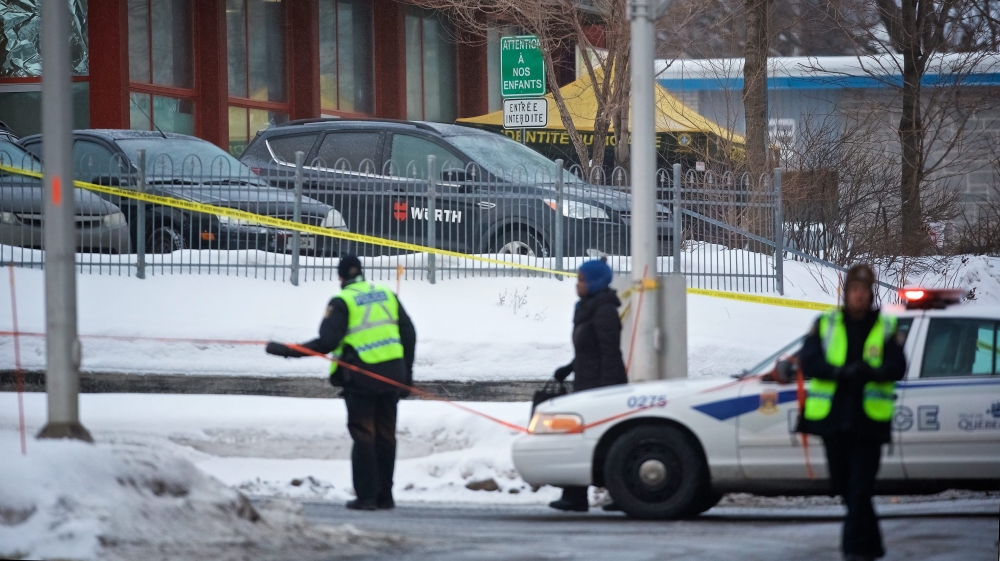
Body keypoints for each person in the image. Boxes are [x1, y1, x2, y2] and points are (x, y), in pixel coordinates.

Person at [266, 255, 416, 511]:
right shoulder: (386, 294)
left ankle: (367, 497)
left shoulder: (342, 301)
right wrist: (406, 375)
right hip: (392, 376)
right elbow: (409, 333)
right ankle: (385, 496)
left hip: (361, 378)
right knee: (386, 436)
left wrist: (288, 350)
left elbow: (327, 343)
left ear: (340, 277)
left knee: (364, 436)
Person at [796, 264, 906, 561]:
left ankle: (853, 550)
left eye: (864, 290)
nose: (859, 295)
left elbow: (897, 366)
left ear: (871, 294)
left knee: (859, 487)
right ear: (846, 293)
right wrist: (840, 372)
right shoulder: (826, 322)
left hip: (868, 423)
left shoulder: (886, 326)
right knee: (846, 488)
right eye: (854, 290)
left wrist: (870, 372)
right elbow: (809, 361)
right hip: (833, 422)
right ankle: (872, 546)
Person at [549, 258, 628, 512]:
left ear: (595, 282)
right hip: (586, 384)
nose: (577, 284)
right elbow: (588, 350)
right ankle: (574, 495)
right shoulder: (586, 308)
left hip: (600, 388)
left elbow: (610, 354)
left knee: (603, 440)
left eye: (581, 280)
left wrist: (607, 393)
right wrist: (569, 368)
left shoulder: (604, 311)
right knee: (581, 439)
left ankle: (621, 494)